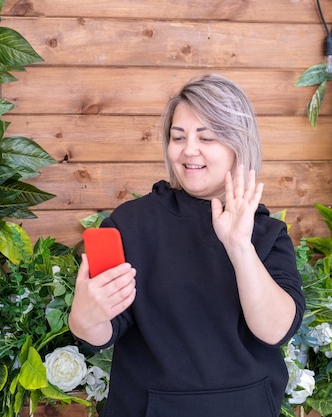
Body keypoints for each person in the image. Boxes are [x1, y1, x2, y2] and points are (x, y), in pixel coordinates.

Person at [68, 74, 305, 417]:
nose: (189, 149)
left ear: (239, 145)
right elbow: (98, 332)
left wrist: (239, 245)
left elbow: (274, 331)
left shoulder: (267, 232)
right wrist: (84, 316)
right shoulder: (131, 225)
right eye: (178, 137)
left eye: (206, 137)